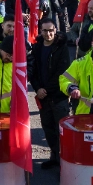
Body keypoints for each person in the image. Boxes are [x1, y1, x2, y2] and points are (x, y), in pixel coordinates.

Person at [27, 17, 72, 170]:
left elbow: (62, 73)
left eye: (51, 30)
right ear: (41, 31)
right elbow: (32, 72)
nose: (48, 34)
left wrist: (46, 90)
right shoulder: (37, 48)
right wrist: (38, 88)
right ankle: (54, 156)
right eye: (45, 31)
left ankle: (64, 161)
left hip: (58, 97)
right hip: (43, 97)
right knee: (48, 128)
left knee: (61, 131)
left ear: (55, 30)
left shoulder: (62, 48)